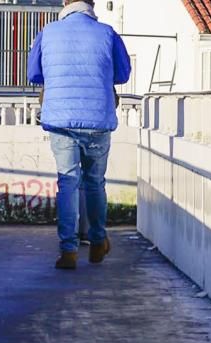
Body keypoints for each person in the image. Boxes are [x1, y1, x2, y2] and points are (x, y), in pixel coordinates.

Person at [27, 0, 131, 269]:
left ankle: (69, 251)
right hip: (97, 119)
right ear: (91, 4)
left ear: (65, 3)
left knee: (68, 182)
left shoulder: (47, 32)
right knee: (95, 182)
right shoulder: (107, 33)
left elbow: (34, 74)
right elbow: (122, 74)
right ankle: (97, 243)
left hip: (61, 121)